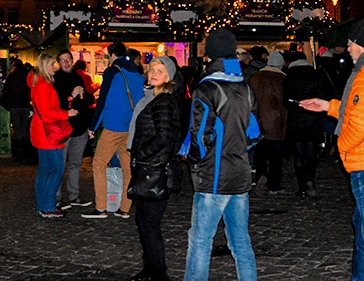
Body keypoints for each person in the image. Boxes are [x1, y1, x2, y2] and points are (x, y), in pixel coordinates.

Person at [302, 17, 364, 281]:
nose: (347, 49)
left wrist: (342, 147)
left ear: (360, 45)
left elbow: (360, 125)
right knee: (363, 226)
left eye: (350, 44)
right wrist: (328, 106)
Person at [181, 28, 258, 281]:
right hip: (240, 174)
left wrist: (194, 161)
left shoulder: (207, 89)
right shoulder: (246, 88)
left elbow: (200, 138)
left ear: (210, 55)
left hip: (214, 178)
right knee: (241, 242)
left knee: (200, 242)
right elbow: (255, 133)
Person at [127, 55, 182, 281]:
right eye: (152, 70)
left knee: (149, 224)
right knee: (144, 222)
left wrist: (142, 153)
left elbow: (165, 136)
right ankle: (151, 268)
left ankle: (158, 273)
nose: (154, 75)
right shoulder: (154, 98)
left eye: (160, 71)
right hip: (149, 168)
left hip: (154, 170)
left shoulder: (164, 100)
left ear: (169, 76)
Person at [83, 41, 145, 220]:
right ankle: (125, 208)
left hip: (113, 125)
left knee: (99, 163)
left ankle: (101, 207)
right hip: (130, 127)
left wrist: (93, 126)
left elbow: (103, 101)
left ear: (111, 54)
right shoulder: (137, 74)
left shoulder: (112, 72)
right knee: (127, 168)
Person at [29, 53, 77, 217]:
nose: (55, 67)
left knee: (45, 169)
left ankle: (43, 204)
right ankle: (48, 205)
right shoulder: (44, 85)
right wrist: (66, 114)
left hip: (41, 131)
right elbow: (48, 112)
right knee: (57, 168)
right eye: (52, 64)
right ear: (44, 66)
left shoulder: (40, 83)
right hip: (48, 134)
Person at [54, 50, 93, 210]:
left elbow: (84, 102)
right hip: (64, 128)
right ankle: (56, 198)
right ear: (59, 62)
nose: (66, 62)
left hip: (80, 127)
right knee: (60, 165)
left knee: (76, 164)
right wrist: (70, 95)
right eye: (63, 60)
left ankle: (74, 196)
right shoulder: (56, 79)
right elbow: (56, 103)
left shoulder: (78, 77)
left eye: (68, 59)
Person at [282, 51, 325, 197]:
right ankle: (310, 179)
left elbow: (286, 101)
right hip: (314, 119)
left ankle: (301, 187)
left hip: (296, 120)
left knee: (299, 154)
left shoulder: (289, 77)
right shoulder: (316, 75)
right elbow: (323, 97)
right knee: (311, 153)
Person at [249, 50, 287, 194]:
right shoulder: (282, 79)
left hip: (258, 122)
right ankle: (274, 185)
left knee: (260, 155)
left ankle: (261, 176)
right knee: (276, 158)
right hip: (277, 123)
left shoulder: (255, 77)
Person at [0, 59, 33, 164]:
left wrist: (7, 105)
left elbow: (5, 92)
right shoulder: (27, 76)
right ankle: (27, 153)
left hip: (15, 106)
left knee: (17, 130)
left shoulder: (12, 77)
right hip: (26, 106)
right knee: (25, 129)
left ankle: (19, 154)